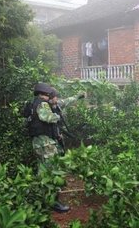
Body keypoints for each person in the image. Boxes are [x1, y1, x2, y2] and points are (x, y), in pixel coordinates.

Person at [28, 83, 85, 213]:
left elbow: (64, 102)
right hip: (45, 144)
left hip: (40, 144)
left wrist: (76, 97)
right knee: (52, 172)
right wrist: (57, 116)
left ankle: (41, 200)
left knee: (42, 172)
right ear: (45, 94)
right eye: (51, 96)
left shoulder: (34, 103)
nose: (53, 99)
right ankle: (53, 202)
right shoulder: (42, 104)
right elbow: (47, 117)